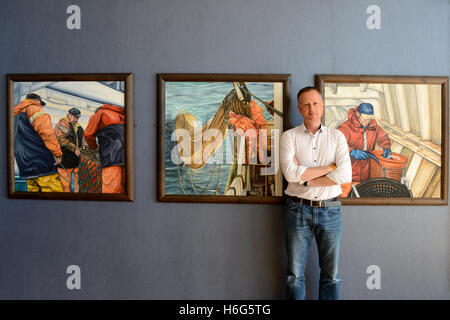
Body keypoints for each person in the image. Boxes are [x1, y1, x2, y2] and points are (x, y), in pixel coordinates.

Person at [280, 86, 352, 300]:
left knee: (332, 275)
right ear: (300, 109)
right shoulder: (288, 137)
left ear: (322, 106)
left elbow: (345, 175)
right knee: (294, 275)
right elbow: (291, 174)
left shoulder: (337, 136)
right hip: (297, 209)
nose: (312, 108)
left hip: (330, 210)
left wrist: (307, 178)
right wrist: (330, 167)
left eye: (315, 103)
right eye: (306, 105)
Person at [337, 102, 391, 197]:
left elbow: (382, 136)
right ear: (357, 114)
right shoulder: (345, 128)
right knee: (345, 199)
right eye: (365, 118)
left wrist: (386, 146)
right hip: (348, 175)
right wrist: (351, 151)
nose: (367, 121)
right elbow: (336, 145)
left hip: (366, 174)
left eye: (369, 118)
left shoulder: (373, 127)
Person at [14, 93, 64, 192]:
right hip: (41, 161)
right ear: (37, 100)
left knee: (34, 193)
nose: (41, 106)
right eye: (40, 104)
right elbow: (47, 134)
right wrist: (57, 152)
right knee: (54, 193)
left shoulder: (13, 114)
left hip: (24, 163)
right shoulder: (36, 110)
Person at [84, 104, 125, 193]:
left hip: (111, 153)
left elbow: (88, 135)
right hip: (129, 153)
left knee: (110, 187)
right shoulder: (123, 115)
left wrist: (94, 148)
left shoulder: (99, 114)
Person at [54, 107, 88, 192]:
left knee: (79, 184)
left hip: (77, 160)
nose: (76, 119)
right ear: (69, 115)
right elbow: (62, 140)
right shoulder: (61, 124)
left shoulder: (79, 126)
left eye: (78, 117)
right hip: (65, 159)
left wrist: (84, 144)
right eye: (74, 117)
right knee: (65, 186)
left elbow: (83, 138)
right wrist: (75, 148)